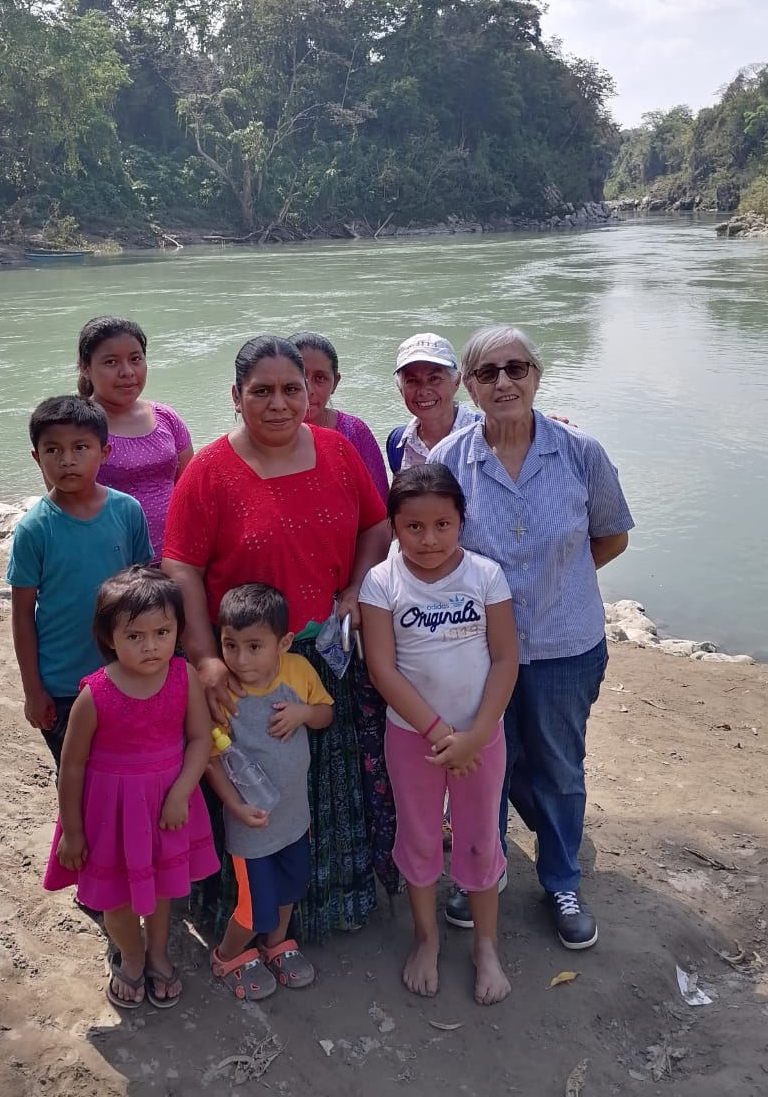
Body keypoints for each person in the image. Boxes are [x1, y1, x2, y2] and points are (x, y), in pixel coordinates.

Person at [162, 335, 395, 942]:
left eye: (292, 389)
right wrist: (206, 658)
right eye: (261, 391)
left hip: (324, 655)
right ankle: (245, 919)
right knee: (251, 783)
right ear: (236, 397)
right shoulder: (209, 472)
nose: (279, 403)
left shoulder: (340, 452)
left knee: (326, 778)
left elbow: (376, 524)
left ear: (312, 392)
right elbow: (181, 566)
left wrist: (354, 589)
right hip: (244, 666)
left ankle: (329, 906)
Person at [430, 325, 634, 949]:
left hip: (562, 648)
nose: (504, 382)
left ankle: (561, 880)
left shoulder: (580, 452)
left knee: (559, 767)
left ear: (537, 376)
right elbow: (434, 551)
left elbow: (611, 534)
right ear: (468, 385)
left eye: (517, 368)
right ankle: (476, 872)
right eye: (488, 373)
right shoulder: (449, 461)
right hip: (476, 652)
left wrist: (560, 581)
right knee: (483, 764)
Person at [360, 464, 518, 1006]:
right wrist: (437, 733)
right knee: (422, 837)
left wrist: (475, 735)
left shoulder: (485, 575)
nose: (429, 540)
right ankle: (426, 939)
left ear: (461, 522)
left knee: (479, 837)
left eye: (443, 525)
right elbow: (383, 669)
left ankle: (486, 947)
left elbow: (505, 659)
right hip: (412, 740)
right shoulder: (381, 582)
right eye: (414, 527)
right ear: (394, 526)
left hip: (481, 739)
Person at [43, 566, 217, 1009]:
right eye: (135, 635)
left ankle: (158, 952)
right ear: (109, 637)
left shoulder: (184, 678)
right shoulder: (95, 693)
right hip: (111, 814)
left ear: (178, 629)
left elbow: (200, 739)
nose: (151, 645)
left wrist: (181, 792)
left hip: (166, 806)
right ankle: (132, 953)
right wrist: (74, 832)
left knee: (160, 890)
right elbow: (73, 764)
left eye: (162, 631)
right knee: (117, 896)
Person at [6, 396, 153, 767]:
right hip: (63, 685)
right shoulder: (34, 529)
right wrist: (33, 690)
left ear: (104, 452)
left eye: (80, 448)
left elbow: (144, 592)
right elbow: (22, 615)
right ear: (37, 457)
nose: (67, 460)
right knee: (76, 775)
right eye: (53, 449)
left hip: (125, 672)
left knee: (125, 767)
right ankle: (72, 828)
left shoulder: (128, 511)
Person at [207, 583, 334, 999]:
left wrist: (304, 713)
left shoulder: (298, 671)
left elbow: (326, 714)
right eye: (230, 645)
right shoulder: (223, 694)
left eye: (254, 647)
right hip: (252, 824)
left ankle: (275, 945)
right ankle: (227, 955)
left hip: (296, 816)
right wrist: (234, 807)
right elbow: (211, 757)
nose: (241, 659)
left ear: (284, 642)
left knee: (291, 887)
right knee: (252, 903)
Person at [76, 315, 194, 561]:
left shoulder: (166, 417)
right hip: (111, 564)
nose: (127, 372)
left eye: (136, 359)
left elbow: (190, 489)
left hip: (175, 556)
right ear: (85, 368)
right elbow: (67, 504)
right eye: (111, 362)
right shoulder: (74, 428)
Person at [288, 331, 389, 497]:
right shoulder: (268, 435)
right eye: (299, 376)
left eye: (320, 378)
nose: (309, 390)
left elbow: (381, 505)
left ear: (335, 383)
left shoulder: (354, 432)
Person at [386, 333, 480, 474]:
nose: (423, 391)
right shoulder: (398, 442)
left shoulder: (487, 436)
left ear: (456, 381)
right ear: (400, 388)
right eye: (412, 381)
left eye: (434, 378)